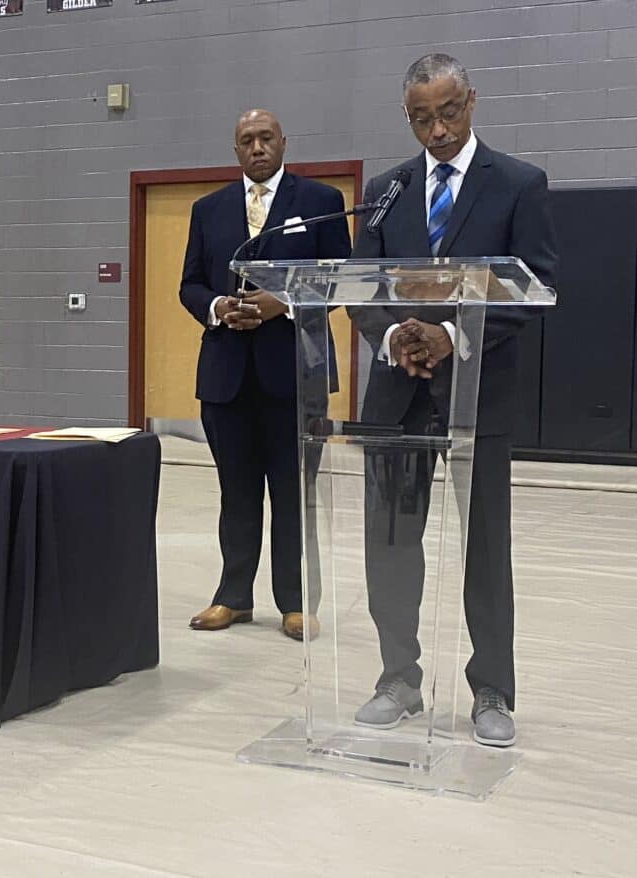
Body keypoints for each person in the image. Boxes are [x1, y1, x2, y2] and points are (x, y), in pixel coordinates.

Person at [349, 54, 558, 747]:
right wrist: (395, 338)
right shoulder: (386, 191)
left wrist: (451, 336)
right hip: (397, 396)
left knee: (485, 549)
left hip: (479, 396)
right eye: (421, 119)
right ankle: (398, 679)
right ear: (406, 117)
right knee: (390, 545)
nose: (436, 131)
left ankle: (492, 689)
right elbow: (360, 285)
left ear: (472, 102)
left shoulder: (519, 185)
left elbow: (534, 285)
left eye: (447, 113)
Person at [180, 109, 352, 639]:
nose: (257, 147)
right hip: (227, 376)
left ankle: (295, 602)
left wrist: (286, 301)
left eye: (265, 138)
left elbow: (341, 278)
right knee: (236, 491)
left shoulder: (320, 202)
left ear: (283, 142)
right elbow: (190, 285)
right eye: (247, 140)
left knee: (292, 492)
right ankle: (233, 597)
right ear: (236, 150)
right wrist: (218, 308)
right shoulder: (208, 210)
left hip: (295, 373)